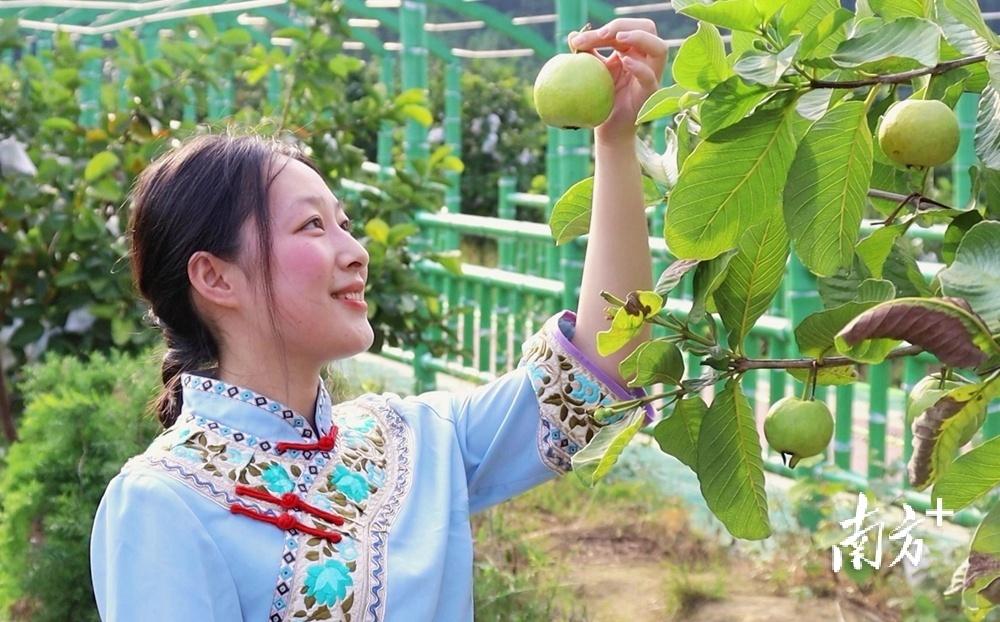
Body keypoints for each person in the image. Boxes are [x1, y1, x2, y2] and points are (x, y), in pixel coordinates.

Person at [90, 18, 669, 622]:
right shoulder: (164, 500)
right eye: (312, 226)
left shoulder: (411, 439)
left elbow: (601, 371)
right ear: (215, 277)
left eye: (343, 223)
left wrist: (616, 140)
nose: (355, 251)